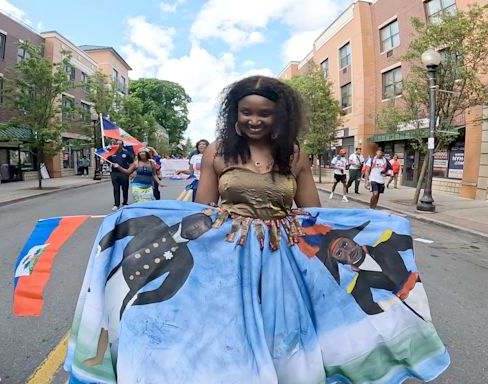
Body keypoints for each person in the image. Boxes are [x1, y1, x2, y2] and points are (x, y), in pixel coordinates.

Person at [65, 75, 449, 384]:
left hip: (283, 259)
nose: (253, 120)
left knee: (282, 334)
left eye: (263, 113)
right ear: (235, 113)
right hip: (227, 259)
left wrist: (379, 226)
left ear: (279, 117)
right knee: (227, 332)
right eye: (246, 112)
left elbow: (314, 214)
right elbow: (201, 210)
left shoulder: (295, 154)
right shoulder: (217, 152)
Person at [108, 139, 133, 211]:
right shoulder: (112, 153)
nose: (118, 145)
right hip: (114, 173)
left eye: (120, 144)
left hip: (124, 173)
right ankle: (116, 204)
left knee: (125, 188)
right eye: (117, 144)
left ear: (122, 145)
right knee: (116, 189)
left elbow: (131, 163)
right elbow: (107, 161)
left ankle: (125, 203)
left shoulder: (127, 153)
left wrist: (131, 172)